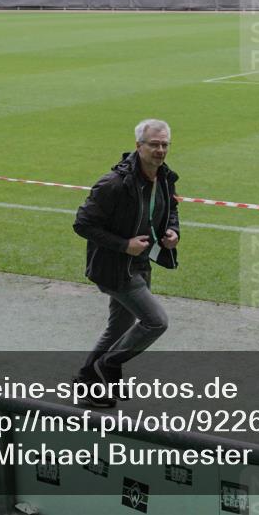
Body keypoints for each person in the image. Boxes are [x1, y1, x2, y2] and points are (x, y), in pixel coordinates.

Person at [72, 119, 180, 407]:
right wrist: (125, 245)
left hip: (141, 264)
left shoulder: (164, 177)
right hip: (114, 269)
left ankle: (88, 382)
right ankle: (108, 365)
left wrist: (172, 232)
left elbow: (171, 210)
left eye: (164, 144)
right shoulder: (114, 184)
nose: (160, 150)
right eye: (154, 144)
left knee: (119, 326)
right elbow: (82, 224)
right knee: (156, 321)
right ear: (138, 146)